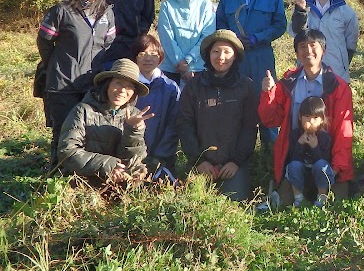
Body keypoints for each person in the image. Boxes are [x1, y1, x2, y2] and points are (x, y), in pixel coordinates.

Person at [257, 29, 354, 209]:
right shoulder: (288, 82)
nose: (308, 51)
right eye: (302, 46)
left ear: (323, 51)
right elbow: (270, 120)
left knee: (336, 205)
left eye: (313, 45)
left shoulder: (339, 87)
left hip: (328, 158)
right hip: (297, 157)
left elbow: (343, 131)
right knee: (282, 204)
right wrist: (268, 93)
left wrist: (337, 167)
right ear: (296, 53)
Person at [38, 0, 117, 169]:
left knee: (88, 130)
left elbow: (108, 44)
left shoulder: (107, 13)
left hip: (92, 83)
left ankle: (82, 175)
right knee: (63, 130)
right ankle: (56, 172)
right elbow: (44, 41)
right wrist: (56, 63)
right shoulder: (61, 10)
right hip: (62, 82)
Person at [176, 30, 259, 201]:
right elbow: (185, 125)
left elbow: (249, 128)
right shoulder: (193, 86)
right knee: (194, 204)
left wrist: (236, 162)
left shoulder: (247, 86)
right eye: (216, 51)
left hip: (233, 165)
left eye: (227, 52)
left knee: (233, 204)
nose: (221, 56)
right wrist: (198, 160)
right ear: (208, 55)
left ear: (235, 56)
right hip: (200, 164)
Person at [217, 0, 286, 148]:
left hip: (261, 56)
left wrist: (258, 38)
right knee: (236, 104)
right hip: (234, 59)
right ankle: (238, 153)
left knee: (267, 99)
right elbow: (220, 23)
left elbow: (280, 24)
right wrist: (232, 41)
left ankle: (271, 155)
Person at [57, 58, 153, 184]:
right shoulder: (83, 110)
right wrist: (108, 165)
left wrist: (133, 131)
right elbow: (67, 152)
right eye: (118, 83)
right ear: (107, 85)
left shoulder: (135, 115)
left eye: (129, 87)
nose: (122, 91)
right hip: (83, 180)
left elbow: (134, 159)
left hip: (118, 184)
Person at [289, 0, 358, 82]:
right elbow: (297, 33)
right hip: (308, 72)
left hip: (337, 73)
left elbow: (350, 44)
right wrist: (301, 11)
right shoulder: (304, 6)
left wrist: (342, 64)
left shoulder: (346, 12)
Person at [157, 0, 216, 88]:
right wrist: (180, 63)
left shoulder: (205, 6)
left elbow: (207, 36)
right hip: (171, 67)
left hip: (198, 67)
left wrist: (189, 60)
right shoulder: (167, 5)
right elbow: (166, 36)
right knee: (171, 105)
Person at [131, 34, 181, 173]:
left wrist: (161, 155)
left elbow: (174, 124)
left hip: (163, 158)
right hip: (131, 155)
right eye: (142, 53)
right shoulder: (128, 86)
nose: (148, 58)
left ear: (160, 57)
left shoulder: (170, 87)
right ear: (135, 57)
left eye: (153, 54)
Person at [285, 96, 335, 208]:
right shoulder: (295, 135)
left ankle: (322, 197)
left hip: (318, 177)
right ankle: (298, 198)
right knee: (293, 165)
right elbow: (293, 158)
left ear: (322, 119)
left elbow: (325, 161)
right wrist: (300, 144)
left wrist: (315, 147)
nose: (310, 121)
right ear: (300, 117)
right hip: (302, 176)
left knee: (322, 165)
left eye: (315, 117)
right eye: (307, 117)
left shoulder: (324, 137)